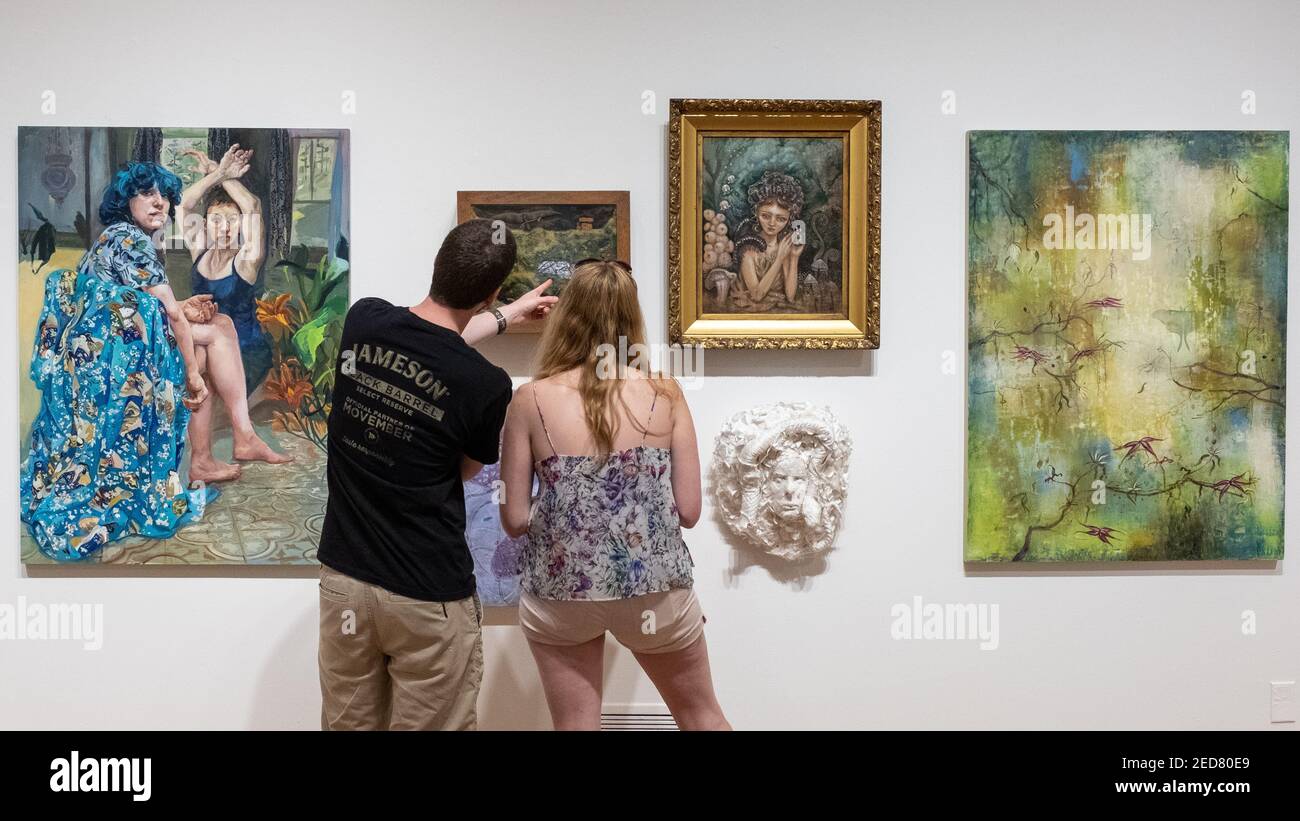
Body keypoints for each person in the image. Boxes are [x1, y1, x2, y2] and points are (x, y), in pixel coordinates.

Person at [316, 218, 557, 731]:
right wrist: (503, 315)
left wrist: (506, 317)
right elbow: (468, 469)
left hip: (345, 583)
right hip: (427, 597)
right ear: (490, 291)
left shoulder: (366, 320)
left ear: (437, 264)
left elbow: (433, 341)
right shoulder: (487, 385)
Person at [499, 259, 731, 731]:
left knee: (576, 726)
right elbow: (688, 512)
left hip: (562, 593)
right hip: (654, 591)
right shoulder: (666, 393)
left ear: (567, 316)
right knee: (701, 715)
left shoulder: (530, 398)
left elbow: (516, 519)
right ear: (632, 317)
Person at [20, 162, 214, 560]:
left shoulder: (110, 239)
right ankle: (145, 492)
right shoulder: (132, 240)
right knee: (196, 351)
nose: (160, 202)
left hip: (85, 369)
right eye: (147, 193)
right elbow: (168, 314)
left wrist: (176, 307)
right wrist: (193, 375)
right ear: (126, 201)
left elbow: (144, 303)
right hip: (112, 369)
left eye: (165, 195)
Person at [177, 144, 289, 484]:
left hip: (245, 349)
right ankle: (237, 443)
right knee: (199, 351)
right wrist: (218, 174)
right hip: (214, 344)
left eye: (232, 221)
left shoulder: (246, 259)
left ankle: (207, 457)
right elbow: (183, 205)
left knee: (201, 353)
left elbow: (253, 205)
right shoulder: (200, 250)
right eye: (216, 220)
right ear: (206, 225)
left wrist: (226, 179)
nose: (225, 228)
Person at [730, 170, 807, 310]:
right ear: (756, 212)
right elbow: (756, 295)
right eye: (766, 216)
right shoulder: (749, 250)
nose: (772, 223)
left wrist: (794, 257)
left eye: (781, 219)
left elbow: (790, 296)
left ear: (789, 220)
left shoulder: (784, 246)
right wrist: (779, 259)